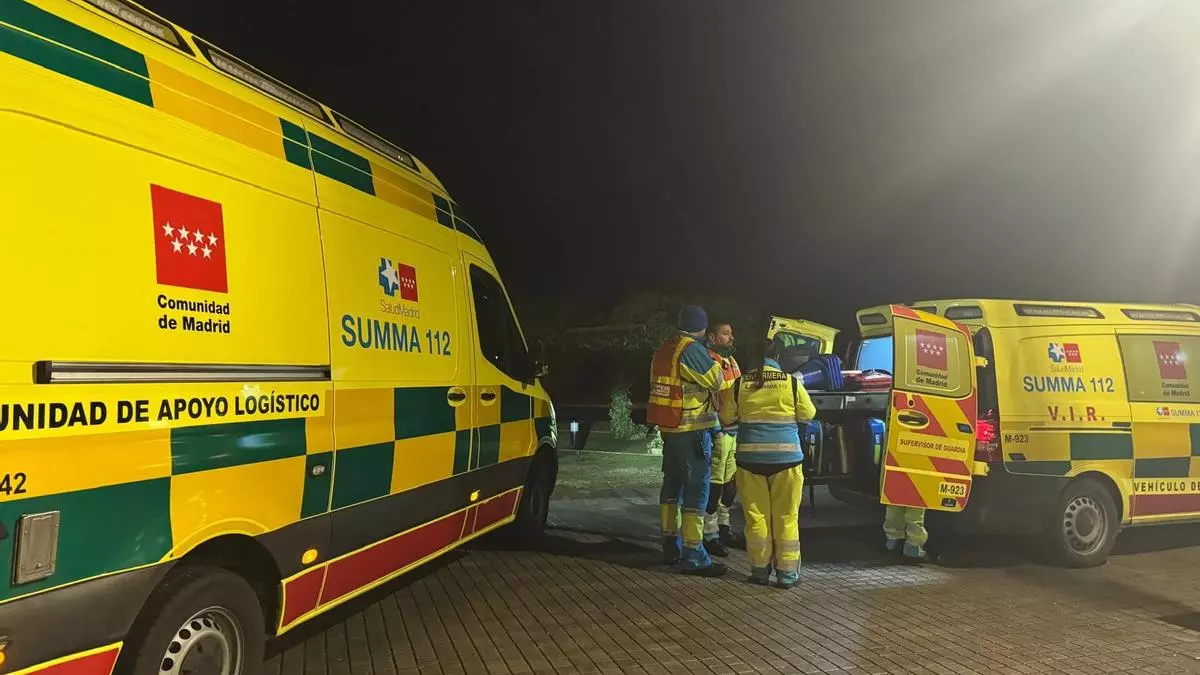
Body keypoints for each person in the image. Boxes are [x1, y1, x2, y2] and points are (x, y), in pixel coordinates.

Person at [717, 334, 816, 588]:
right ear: (778, 356)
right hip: (787, 461)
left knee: (756, 518)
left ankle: (760, 571)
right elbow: (808, 414)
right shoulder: (791, 383)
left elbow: (726, 418)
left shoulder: (739, 384)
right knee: (786, 517)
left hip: (750, 461)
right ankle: (787, 574)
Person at [647, 305, 728, 576]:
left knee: (671, 487)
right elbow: (716, 380)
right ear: (702, 327)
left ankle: (671, 546)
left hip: (669, 427)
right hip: (692, 429)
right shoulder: (692, 349)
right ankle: (695, 557)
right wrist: (714, 358)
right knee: (696, 491)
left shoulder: (665, 348)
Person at [703, 321, 742, 556]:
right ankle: (710, 533)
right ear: (712, 337)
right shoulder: (708, 361)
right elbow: (709, 397)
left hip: (733, 430)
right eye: (725, 333)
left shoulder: (731, 360)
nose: (731, 337)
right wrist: (716, 428)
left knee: (729, 483)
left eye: (731, 333)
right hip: (719, 430)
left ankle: (724, 528)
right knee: (715, 482)